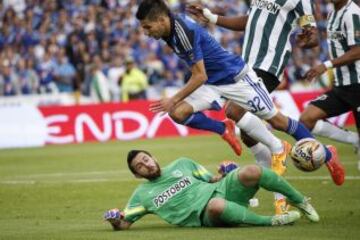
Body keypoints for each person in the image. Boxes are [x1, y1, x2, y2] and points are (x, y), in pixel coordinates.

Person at [186, 1, 345, 187]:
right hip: (244, 66)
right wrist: (212, 17)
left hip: (269, 64)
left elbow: (312, 35)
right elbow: (250, 21)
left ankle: (285, 149)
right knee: (247, 133)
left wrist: (307, 38)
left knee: (234, 111)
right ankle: (317, 156)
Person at [136, 0, 290, 178]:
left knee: (277, 121)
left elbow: (200, 75)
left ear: (161, 20)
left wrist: (173, 99)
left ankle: (313, 152)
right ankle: (224, 129)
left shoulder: (182, 30)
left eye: (148, 27)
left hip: (234, 76)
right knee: (178, 113)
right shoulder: (169, 29)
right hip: (213, 83)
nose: (146, 33)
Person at [103, 150, 319, 230]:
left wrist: (225, 172)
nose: (147, 165)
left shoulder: (182, 163)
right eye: (140, 166)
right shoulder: (141, 195)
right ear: (137, 175)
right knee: (216, 206)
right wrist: (115, 221)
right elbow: (125, 223)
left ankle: (300, 201)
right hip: (205, 214)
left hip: (222, 189)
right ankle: (271, 221)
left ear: (153, 157)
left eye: (146, 159)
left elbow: (212, 179)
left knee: (251, 170)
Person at [300, 0, 360, 166]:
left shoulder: (352, 13)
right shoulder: (333, 14)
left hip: (358, 85)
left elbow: (358, 51)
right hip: (341, 86)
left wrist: (325, 65)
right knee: (307, 119)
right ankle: (355, 139)